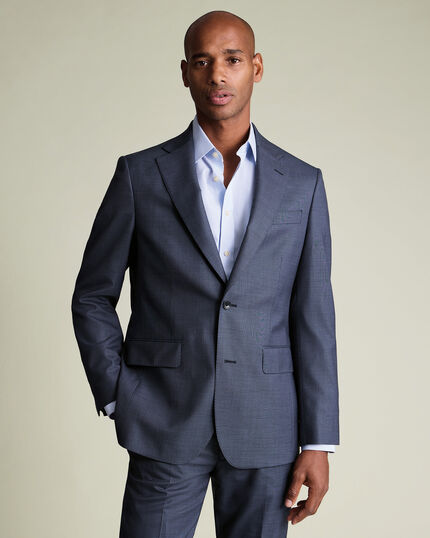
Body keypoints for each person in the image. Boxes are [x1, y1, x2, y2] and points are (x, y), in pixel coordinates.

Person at [71, 9, 340, 537]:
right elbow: (92, 295)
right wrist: (117, 392)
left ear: (256, 67)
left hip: (267, 425)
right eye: (202, 61)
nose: (218, 74)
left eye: (232, 60)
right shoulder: (140, 175)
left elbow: (313, 315)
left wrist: (318, 440)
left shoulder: (301, 183)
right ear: (185, 73)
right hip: (163, 418)